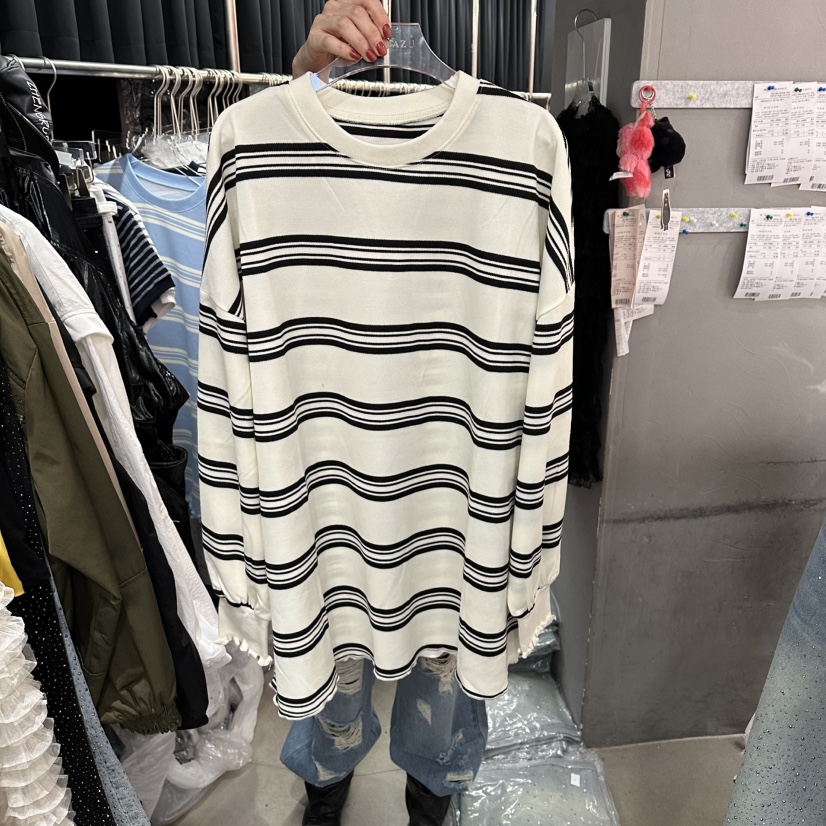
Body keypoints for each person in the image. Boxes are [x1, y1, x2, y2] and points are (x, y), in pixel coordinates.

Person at [282, 10, 490, 826]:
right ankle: (327, 791)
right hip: (333, 475)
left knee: (441, 668)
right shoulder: (273, 146)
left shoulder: (511, 150)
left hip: (448, 481)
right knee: (338, 657)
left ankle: (425, 801)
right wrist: (306, 77)